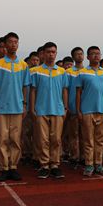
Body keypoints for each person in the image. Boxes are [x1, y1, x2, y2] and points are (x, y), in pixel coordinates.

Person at [0, 32, 31, 182]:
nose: (13, 44)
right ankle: (4, 167)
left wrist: (24, 104)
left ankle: (13, 167)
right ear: (5, 45)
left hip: (17, 107)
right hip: (2, 107)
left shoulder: (23, 65)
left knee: (15, 139)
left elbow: (25, 86)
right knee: (3, 138)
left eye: (16, 42)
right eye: (11, 42)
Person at [30, 42, 68, 180]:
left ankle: (55, 165)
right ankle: (44, 165)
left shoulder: (62, 71)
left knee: (56, 139)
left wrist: (65, 108)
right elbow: (33, 91)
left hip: (57, 110)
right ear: (43, 54)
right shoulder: (36, 71)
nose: (51, 54)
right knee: (43, 140)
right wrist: (32, 108)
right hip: (41, 110)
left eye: (53, 52)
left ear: (56, 53)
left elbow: (64, 90)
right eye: (48, 52)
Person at [76, 46, 103, 177]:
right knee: (88, 140)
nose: (96, 56)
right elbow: (78, 92)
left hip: (102, 110)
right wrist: (79, 110)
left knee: (100, 140)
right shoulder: (82, 73)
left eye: (98, 53)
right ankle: (89, 164)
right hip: (87, 110)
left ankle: (98, 164)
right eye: (92, 54)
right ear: (87, 57)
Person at [65, 47, 84, 169]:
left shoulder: (87, 72)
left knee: (85, 135)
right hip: (72, 107)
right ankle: (74, 157)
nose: (80, 56)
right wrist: (67, 106)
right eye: (77, 54)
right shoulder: (69, 72)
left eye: (81, 54)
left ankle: (84, 157)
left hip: (86, 108)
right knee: (74, 134)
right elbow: (65, 90)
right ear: (73, 57)